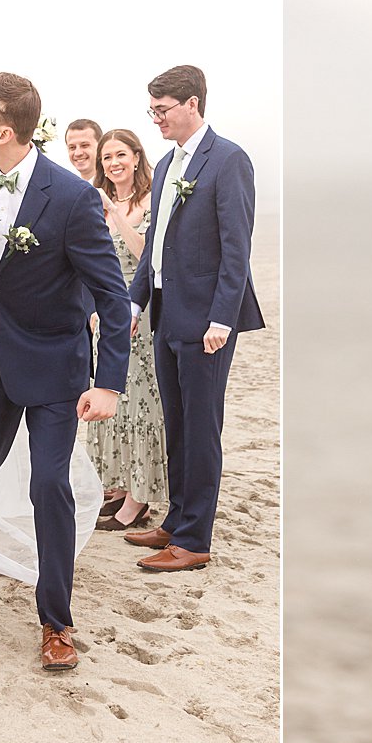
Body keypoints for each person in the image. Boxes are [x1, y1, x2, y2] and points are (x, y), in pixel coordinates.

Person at [0, 72, 131, 671]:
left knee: (48, 486)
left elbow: (112, 295)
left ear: (5, 130)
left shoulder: (73, 196)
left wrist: (108, 382)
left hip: (57, 367)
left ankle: (56, 621)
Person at [126, 65, 264, 572]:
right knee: (176, 423)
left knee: (202, 427)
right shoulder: (165, 167)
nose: (156, 119)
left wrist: (222, 320)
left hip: (207, 322)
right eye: (152, 110)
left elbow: (236, 248)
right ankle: (176, 519)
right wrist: (136, 302)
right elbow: (155, 249)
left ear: (192, 104)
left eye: (163, 109)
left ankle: (194, 541)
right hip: (166, 315)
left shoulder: (228, 161)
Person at [87, 128, 168, 530]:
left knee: (140, 402)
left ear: (136, 157)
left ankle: (139, 499)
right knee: (112, 401)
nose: (114, 163)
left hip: (142, 310)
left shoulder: (153, 199)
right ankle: (118, 485)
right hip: (106, 311)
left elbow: (148, 257)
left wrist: (116, 214)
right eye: (106, 158)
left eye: (121, 155)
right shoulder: (94, 202)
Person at [64, 118, 102, 183]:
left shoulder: (114, 188)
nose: (78, 153)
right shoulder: (68, 187)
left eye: (84, 145)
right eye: (72, 147)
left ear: (100, 146)